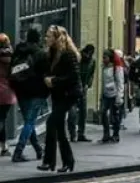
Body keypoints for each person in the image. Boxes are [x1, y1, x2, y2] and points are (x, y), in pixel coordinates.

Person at [39, 26, 81, 173]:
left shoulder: (68, 54)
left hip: (69, 94)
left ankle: (58, 161)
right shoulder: (51, 53)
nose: (46, 38)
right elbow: (47, 72)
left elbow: (73, 77)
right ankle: (56, 162)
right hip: (58, 94)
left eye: (49, 36)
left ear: (57, 38)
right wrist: (47, 79)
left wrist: (54, 81)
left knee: (52, 122)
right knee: (58, 127)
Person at [9, 28, 47, 162]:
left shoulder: (19, 50)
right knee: (30, 122)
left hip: (20, 91)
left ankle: (38, 150)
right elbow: (45, 74)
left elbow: (11, 70)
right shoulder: (41, 53)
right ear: (38, 39)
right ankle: (18, 152)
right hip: (36, 92)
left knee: (28, 122)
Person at [68, 44, 95, 143]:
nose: (88, 56)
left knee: (83, 112)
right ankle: (72, 134)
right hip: (74, 88)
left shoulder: (92, 61)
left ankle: (81, 134)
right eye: (87, 53)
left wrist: (88, 84)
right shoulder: (77, 58)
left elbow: (91, 75)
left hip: (83, 89)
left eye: (90, 54)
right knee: (72, 112)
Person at [99, 49, 124, 143]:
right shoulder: (104, 67)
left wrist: (119, 96)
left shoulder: (117, 68)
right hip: (106, 94)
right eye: (103, 57)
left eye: (105, 57)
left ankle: (115, 135)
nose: (103, 59)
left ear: (110, 58)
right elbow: (103, 82)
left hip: (114, 94)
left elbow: (120, 82)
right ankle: (106, 134)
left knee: (114, 115)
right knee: (103, 113)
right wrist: (102, 94)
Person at [0, 34, 16, 157]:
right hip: (7, 92)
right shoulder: (13, 57)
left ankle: (4, 146)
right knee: (2, 119)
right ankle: (4, 146)